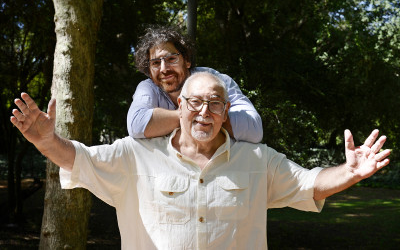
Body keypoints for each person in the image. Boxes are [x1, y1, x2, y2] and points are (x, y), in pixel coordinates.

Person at [11, 72, 390, 249]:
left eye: (214, 104)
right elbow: (81, 160)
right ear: (180, 106)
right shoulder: (135, 154)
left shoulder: (257, 159)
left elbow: (309, 184)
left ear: (226, 112)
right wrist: (48, 141)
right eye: (195, 102)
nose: (204, 112)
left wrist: (350, 172)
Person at [127, 25, 263, 143]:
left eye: (171, 59)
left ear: (187, 60)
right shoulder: (148, 87)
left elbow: (254, 129)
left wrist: (178, 117)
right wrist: (203, 113)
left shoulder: (218, 81)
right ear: (149, 71)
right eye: (156, 63)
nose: (164, 69)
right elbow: (136, 125)